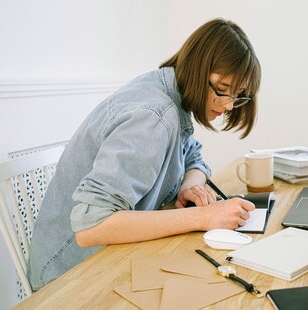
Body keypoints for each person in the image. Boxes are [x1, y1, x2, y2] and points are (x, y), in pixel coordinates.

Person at [27, 18, 261, 291]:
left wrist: (191, 187)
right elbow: (91, 225)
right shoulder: (153, 116)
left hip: (112, 257)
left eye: (238, 95)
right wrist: (204, 217)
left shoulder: (169, 91)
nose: (230, 105)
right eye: (222, 89)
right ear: (199, 68)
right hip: (70, 276)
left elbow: (193, 156)